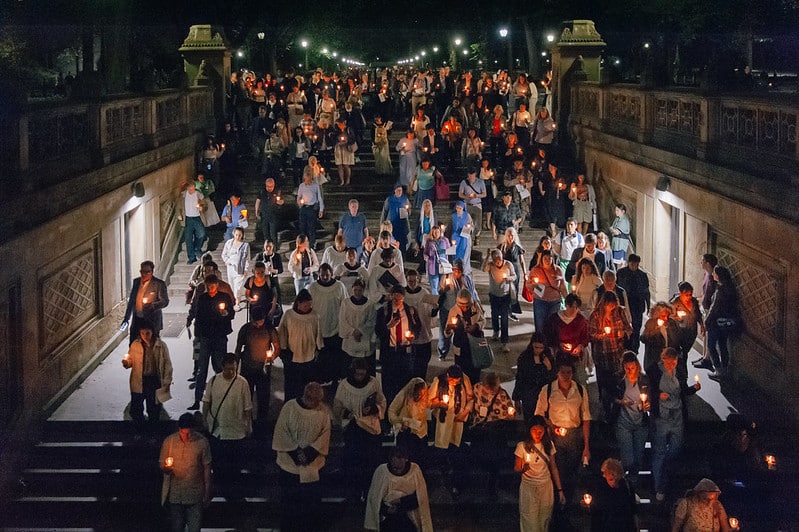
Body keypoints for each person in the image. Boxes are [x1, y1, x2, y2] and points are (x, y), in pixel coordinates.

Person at [272, 382, 331, 532]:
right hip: (290, 467)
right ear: (307, 397)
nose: (318, 405)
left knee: (309, 508)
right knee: (290, 507)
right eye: (315, 401)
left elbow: (324, 435)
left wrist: (310, 452)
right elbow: (282, 431)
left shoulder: (323, 411)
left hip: (312, 467)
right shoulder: (290, 407)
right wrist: (296, 452)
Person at [534, 358, 591, 501]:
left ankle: (568, 501)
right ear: (557, 373)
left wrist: (586, 446)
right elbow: (539, 415)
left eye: (569, 372)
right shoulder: (547, 390)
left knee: (572, 472)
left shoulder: (579, 390)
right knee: (558, 470)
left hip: (574, 435)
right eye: (563, 372)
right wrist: (551, 426)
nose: (566, 375)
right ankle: (558, 500)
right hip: (555, 437)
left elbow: (585, 417)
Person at [648, 347, 701, 502]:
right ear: (662, 360)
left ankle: (665, 469)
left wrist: (694, 389)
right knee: (659, 452)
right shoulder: (654, 371)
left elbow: (682, 390)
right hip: (662, 417)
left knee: (675, 448)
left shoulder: (679, 371)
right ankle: (659, 486)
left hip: (677, 416)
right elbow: (647, 390)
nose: (671, 365)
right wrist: (658, 395)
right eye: (668, 362)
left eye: (674, 362)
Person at [333, 358, 387, 501]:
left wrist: (374, 408)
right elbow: (337, 407)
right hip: (353, 429)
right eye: (357, 374)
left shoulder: (373, 383)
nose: (360, 377)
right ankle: (353, 494)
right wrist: (347, 414)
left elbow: (381, 401)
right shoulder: (344, 386)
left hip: (370, 429)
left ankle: (370, 494)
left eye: (362, 374)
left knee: (371, 463)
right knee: (353, 463)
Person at [202, 352, 252, 497]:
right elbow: (207, 401)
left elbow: (247, 407)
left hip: (236, 431)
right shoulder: (213, 381)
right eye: (228, 369)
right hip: (218, 430)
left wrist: (248, 425)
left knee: (235, 463)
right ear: (222, 367)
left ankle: (233, 490)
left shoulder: (242, 383)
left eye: (233, 369)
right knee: (218, 462)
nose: (231, 372)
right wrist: (205, 419)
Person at [187, 275, 235, 411]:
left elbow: (231, 314)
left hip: (219, 337)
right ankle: (197, 399)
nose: (211, 289)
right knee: (202, 369)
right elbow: (199, 317)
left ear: (217, 285)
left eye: (212, 286)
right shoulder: (203, 299)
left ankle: (220, 398)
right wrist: (198, 336)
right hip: (206, 337)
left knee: (219, 368)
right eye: (208, 287)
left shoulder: (224, 297)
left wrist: (225, 313)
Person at [159, 413, 211, 532]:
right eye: (184, 433)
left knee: (194, 528)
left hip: (195, 494)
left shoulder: (202, 443)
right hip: (176, 494)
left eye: (189, 433)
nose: (186, 436)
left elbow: (207, 468)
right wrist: (166, 468)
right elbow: (162, 463)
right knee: (177, 527)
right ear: (179, 429)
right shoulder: (169, 442)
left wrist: (207, 492)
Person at [429, 365, 474, 498]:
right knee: (443, 449)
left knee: (456, 448)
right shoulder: (439, 381)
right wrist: (439, 404)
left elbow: (470, 398)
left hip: (458, 421)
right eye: (452, 381)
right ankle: (444, 474)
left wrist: (464, 412)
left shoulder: (464, 380)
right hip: (444, 422)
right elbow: (429, 401)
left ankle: (456, 483)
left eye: (457, 381)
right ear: (448, 376)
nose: (455, 383)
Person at [514, 415, 566, 532]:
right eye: (534, 430)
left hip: (545, 487)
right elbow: (517, 468)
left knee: (544, 520)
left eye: (540, 431)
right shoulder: (522, 446)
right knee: (529, 521)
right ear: (529, 430)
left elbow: (553, 468)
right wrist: (523, 468)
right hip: (529, 488)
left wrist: (560, 490)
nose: (537, 434)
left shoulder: (549, 446)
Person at [364, 445, 433, 532]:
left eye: (399, 457)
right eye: (393, 458)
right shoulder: (381, 471)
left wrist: (400, 501)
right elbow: (374, 499)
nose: (395, 460)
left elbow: (420, 497)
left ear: (406, 459)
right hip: (388, 514)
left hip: (409, 513)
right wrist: (386, 509)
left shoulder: (415, 470)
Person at [235, 306, 279, 435]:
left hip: (263, 369)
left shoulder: (269, 329)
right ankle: (246, 423)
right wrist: (235, 364)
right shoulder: (245, 329)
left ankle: (262, 424)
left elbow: (276, 347)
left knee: (263, 396)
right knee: (246, 396)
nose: (258, 324)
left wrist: (271, 358)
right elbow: (238, 348)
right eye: (256, 321)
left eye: (260, 321)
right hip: (247, 368)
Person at [470, 371, 515, 497]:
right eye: (488, 389)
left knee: (494, 459)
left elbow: (510, 413)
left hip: (495, 431)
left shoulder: (502, 395)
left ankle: (492, 485)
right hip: (481, 430)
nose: (490, 392)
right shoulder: (477, 388)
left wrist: (510, 415)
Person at [375, 285, 422, 405]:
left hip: (405, 352)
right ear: (390, 297)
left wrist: (412, 336)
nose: (397, 302)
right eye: (394, 299)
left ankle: (403, 406)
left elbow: (417, 327)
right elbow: (378, 331)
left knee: (405, 382)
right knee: (389, 383)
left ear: (403, 298)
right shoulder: (383, 311)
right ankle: (388, 407)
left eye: (399, 299)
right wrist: (388, 326)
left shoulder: (410, 311)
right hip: (389, 353)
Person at [588, 291, 633, 417]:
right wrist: (602, 336)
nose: (612, 308)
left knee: (616, 381)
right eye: (609, 305)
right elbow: (591, 334)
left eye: (614, 305)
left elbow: (629, 328)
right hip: (602, 354)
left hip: (617, 353)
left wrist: (624, 333)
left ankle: (617, 407)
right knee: (604, 381)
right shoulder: (596, 315)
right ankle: (605, 406)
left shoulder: (620, 312)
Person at [611, 352, 650, 486]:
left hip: (640, 423)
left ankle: (632, 481)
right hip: (623, 423)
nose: (630, 371)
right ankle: (623, 477)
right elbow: (609, 397)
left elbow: (650, 399)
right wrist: (621, 402)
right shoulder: (618, 379)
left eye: (632, 368)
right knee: (628, 459)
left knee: (638, 456)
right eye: (627, 368)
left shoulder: (644, 380)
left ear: (637, 367)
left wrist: (647, 405)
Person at [121, 320, 173, 425]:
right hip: (139, 380)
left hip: (154, 380)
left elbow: (167, 364)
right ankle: (139, 429)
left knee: (153, 408)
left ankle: (152, 430)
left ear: (152, 332)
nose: (145, 336)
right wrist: (127, 362)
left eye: (147, 333)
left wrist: (167, 381)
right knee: (136, 408)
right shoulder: (136, 345)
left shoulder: (161, 346)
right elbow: (131, 360)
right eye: (142, 333)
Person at [278, 289, 324, 402]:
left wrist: (318, 348)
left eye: (309, 304)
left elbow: (318, 333)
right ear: (298, 303)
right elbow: (282, 332)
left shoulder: (314, 316)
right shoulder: (289, 315)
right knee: (291, 385)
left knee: (306, 384)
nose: (308, 307)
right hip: (293, 356)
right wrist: (283, 349)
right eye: (305, 305)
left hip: (309, 356)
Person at [309, 263, 348, 385]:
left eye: (327, 275)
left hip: (335, 326)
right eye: (322, 275)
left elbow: (345, 304)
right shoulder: (313, 287)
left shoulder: (339, 286)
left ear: (331, 274)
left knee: (334, 357)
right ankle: (320, 380)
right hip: (319, 327)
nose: (325, 277)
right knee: (320, 357)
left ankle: (335, 379)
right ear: (319, 274)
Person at [542, 293, 590, 384]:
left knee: (579, 380)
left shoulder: (581, 320)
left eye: (576, 308)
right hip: (558, 356)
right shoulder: (554, 319)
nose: (574, 310)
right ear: (566, 305)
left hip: (576, 357)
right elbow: (547, 336)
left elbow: (585, 336)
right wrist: (558, 344)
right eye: (572, 307)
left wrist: (580, 346)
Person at [704, 266, 741, 381]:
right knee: (723, 345)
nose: (713, 275)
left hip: (716, 322)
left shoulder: (720, 290)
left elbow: (714, 308)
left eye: (715, 273)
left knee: (711, 345)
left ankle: (718, 370)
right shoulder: (730, 288)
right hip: (725, 323)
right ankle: (725, 369)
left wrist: (707, 321)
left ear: (718, 275)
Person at [436, 259, 478, 360]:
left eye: (459, 271)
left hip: (461, 310)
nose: (457, 273)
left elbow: (472, 293)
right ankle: (442, 352)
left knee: (461, 331)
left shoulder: (467, 279)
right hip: (447, 308)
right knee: (445, 331)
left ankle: (459, 351)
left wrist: (476, 305)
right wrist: (444, 289)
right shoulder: (446, 277)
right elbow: (439, 291)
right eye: (455, 270)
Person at [443, 289, 485, 386]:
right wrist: (449, 329)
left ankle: (475, 387)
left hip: (474, 344)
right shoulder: (454, 311)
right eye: (461, 305)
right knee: (461, 370)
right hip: (460, 345)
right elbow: (447, 332)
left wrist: (476, 326)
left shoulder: (476, 307)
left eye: (467, 306)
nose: (464, 308)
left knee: (475, 369)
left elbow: (483, 320)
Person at [121, 261, 169, 344]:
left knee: (151, 347)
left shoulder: (158, 284)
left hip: (151, 321)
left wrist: (153, 305)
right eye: (142, 272)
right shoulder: (136, 282)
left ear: (152, 272)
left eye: (147, 272)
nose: (144, 274)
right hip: (137, 321)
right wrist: (126, 318)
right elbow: (132, 301)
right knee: (134, 346)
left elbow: (165, 301)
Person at [513, 332, 555, 428]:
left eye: (541, 348)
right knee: (530, 420)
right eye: (536, 347)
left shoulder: (548, 357)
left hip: (544, 394)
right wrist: (517, 398)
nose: (538, 350)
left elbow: (553, 378)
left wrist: (549, 367)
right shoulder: (524, 358)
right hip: (529, 394)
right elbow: (520, 377)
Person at [388, 377, 430, 467]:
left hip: (421, 434)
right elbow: (391, 411)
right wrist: (400, 422)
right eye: (416, 394)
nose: (418, 397)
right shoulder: (403, 395)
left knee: (421, 462)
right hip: (406, 433)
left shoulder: (424, 396)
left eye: (420, 394)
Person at [403, 269, 437, 379]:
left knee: (422, 363)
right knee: (409, 366)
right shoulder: (404, 294)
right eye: (409, 281)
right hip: (407, 337)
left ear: (418, 280)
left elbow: (431, 312)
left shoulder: (424, 293)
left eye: (414, 281)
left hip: (423, 334)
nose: (412, 284)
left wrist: (436, 308)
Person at [590, 458, 639, 532]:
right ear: (605, 475)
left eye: (617, 480)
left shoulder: (626, 486)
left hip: (623, 525)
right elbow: (596, 514)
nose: (614, 483)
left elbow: (632, 510)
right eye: (611, 479)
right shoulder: (599, 488)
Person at [616, 254, 651, 352]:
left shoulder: (642, 275)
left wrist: (648, 305)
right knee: (624, 327)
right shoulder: (621, 273)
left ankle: (635, 349)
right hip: (625, 304)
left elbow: (646, 291)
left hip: (637, 305)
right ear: (628, 263)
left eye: (636, 264)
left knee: (636, 328)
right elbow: (617, 289)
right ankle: (626, 347)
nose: (634, 265)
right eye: (632, 263)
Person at [528, 249, 568, 335]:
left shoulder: (558, 270)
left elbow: (562, 286)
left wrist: (568, 300)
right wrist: (534, 286)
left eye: (549, 258)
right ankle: (540, 344)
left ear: (552, 259)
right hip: (540, 301)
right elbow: (528, 285)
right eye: (545, 258)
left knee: (553, 324)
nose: (547, 260)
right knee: (540, 324)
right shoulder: (535, 270)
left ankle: (551, 345)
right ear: (541, 259)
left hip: (554, 301)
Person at [483, 249, 516, 351]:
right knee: (494, 314)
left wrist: (509, 278)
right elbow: (484, 269)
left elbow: (514, 276)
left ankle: (504, 342)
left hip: (505, 295)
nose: (498, 261)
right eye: (495, 259)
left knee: (505, 318)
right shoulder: (491, 265)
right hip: (494, 294)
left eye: (499, 258)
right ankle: (496, 331)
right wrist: (487, 256)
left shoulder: (508, 264)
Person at [641, 302, 684, 381]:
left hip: (669, 358)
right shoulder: (651, 323)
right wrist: (654, 331)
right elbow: (643, 338)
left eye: (667, 315)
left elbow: (677, 338)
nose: (666, 318)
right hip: (656, 358)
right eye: (663, 316)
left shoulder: (671, 323)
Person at [498, 227, 526, 319]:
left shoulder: (517, 247)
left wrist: (525, 273)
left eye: (512, 235)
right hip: (505, 270)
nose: (510, 237)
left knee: (514, 290)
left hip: (515, 270)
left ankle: (511, 309)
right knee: (505, 291)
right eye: (509, 235)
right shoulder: (502, 246)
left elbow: (522, 261)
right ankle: (506, 311)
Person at [220, 227, 250, 310]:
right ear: (234, 234)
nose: (238, 237)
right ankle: (233, 300)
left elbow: (247, 258)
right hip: (230, 268)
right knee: (232, 285)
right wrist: (226, 261)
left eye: (240, 235)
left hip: (240, 268)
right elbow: (224, 254)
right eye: (236, 234)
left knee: (238, 287)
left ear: (242, 235)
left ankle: (237, 303)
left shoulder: (245, 245)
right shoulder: (229, 243)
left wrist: (246, 269)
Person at [179, 181, 207, 265]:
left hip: (197, 217)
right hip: (187, 218)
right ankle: (191, 257)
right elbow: (178, 205)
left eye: (193, 189)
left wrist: (202, 208)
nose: (192, 191)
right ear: (187, 188)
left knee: (201, 233)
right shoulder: (183, 195)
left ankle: (197, 248)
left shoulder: (198, 194)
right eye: (190, 189)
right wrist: (179, 214)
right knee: (188, 238)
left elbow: (205, 204)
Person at [296, 168, 325, 249]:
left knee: (311, 228)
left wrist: (321, 209)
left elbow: (319, 198)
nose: (307, 182)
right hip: (304, 208)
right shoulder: (301, 186)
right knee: (302, 227)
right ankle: (303, 244)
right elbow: (299, 197)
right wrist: (299, 202)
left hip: (312, 208)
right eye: (306, 180)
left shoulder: (315, 186)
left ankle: (311, 245)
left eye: (309, 180)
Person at [458, 169, 486, 246]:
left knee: (478, 223)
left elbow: (484, 194)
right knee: (468, 222)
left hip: (477, 204)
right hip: (468, 204)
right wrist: (467, 197)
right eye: (470, 175)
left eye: (472, 175)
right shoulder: (464, 182)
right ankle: (469, 237)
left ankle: (477, 236)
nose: (471, 177)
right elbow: (460, 194)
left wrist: (476, 196)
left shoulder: (480, 182)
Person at [381, 184, 412, 253]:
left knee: (402, 243)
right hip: (392, 225)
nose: (399, 192)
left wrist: (407, 210)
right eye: (398, 190)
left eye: (400, 190)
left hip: (402, 225)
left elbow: (409, 212)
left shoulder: (405, 199)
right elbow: (385, 212)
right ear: (395, 191)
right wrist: (382, 223)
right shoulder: (389, 199)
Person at [254, 177, 284, 246]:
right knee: (265, 233)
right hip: (264, 215)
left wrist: (280, 202)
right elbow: (258, 201)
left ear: (273, 185)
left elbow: (282, 201)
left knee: (273, 233)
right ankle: (267, 247)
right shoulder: (262, 191)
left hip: (273, 215)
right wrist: (256, 211)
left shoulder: (277, 191)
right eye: (267, 186)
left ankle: (274, 247)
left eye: (271, 186)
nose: (269, 188)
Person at [422, 224, 450, 295]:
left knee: (443, 285)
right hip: (433, 265)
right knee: (434, 286)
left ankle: (442, 300)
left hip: (443, 265)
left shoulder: (445, 240)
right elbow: (425, 252)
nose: (436, 233)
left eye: (438, 232)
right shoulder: (429, 241)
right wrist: (426, 257)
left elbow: (449, 250)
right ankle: (435, 301)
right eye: (434, 232)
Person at [449, 201, 473, 274]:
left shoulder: (467, 215)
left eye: (460, 208)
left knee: (464, 252)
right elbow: (450, 226)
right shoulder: (453, 216)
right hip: (455, 236)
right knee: (455, 253)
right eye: (457, 208)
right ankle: (455, 267)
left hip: (464, 237)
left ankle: (464, 268)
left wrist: (469, 228)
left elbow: (471, 225)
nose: (458, 209)